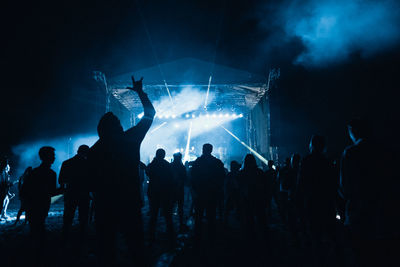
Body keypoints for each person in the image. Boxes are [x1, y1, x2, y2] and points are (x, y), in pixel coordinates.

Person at [88, 75, 155, 266]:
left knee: (106, 248)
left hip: (105, 205)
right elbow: (150, 114)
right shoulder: (129, 139)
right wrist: (140, 92)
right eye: (117, 122)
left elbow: (90, 181)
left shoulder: (95, 150)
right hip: (129, 202)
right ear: (117, 127)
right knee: (135, 247)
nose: (120, 123)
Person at [339, 119, 383, 266]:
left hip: (358, 211)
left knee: (360, 253)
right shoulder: (381, 150)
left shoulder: (351, 152)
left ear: (353, 131)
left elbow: (344, 186)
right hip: (381, 210)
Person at [297, 135, 336, 266]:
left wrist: (300, 201)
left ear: (311, 145)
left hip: (312, 202)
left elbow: (301, 183)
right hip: (326, 202)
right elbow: (333, 184)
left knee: (315, 236)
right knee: (331, 235)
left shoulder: (306, 161)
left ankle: (319, 260)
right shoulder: (327, 161)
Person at [22, 146, 59, 264]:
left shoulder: (34, 172)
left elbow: (25, 190)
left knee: (35, 228)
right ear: (47, 157)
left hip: (33, 205)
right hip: (42, 204)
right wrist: (63, 190)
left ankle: (33, 256)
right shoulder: (51, 173)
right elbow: (52, 192)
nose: (54, 157)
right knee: (39, 228)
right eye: (52, 155)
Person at [190, 143, 225, 245]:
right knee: (211, 216)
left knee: (199, 216)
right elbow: (222, 177)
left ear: (203, 149)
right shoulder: (217, 162)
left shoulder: (198, 162)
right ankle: (211, 238)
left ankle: (198, 238)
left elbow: (192, 177)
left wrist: (194, 190)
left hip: (201, 193)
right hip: (212, 193)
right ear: (211, 150)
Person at [59, 144, 90, 244]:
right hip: (84, 194)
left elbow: (61, 180)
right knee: (83, 217)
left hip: (71, 193)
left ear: (77, 151)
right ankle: (82, 237)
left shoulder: (66, 163)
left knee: (68, 216)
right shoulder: (87, 164)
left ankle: (65, 237)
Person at [146, 148, 175, 243]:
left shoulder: (153, 165)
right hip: (165, 193)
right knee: (167, 215)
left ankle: (151, 236)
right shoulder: (167, 165)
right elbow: (171, 179)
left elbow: (148, 172)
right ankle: (170, 235)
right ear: (164, 155)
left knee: (153, 215)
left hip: (154, 193)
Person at [237, 154, 268, 240]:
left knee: (248, 219)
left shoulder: (241, 173)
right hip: (258, 198)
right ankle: (264, 238)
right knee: (261, 218)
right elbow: (265, 186)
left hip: (247, 199)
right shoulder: (260, 172)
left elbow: (239, 187)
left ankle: (251, 238)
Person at [170, 152, 187, 230]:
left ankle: (170, 224)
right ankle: (180, 223)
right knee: (180, 207)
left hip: (172, 190)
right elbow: (185, 178)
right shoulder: (181, 167)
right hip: (178, 190)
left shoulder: (170, 166)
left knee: (172, 207)